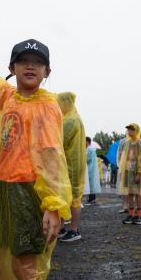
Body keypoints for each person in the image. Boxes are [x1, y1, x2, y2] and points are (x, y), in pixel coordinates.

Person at [0, 40, 72, 280]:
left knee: (24, 268)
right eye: (24, 61)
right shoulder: (6, 94)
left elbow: (51, 154)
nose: (31, 67)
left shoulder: (47, 105)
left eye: (38, 63)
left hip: (28, 190)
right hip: (2, 186)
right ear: (12, 68)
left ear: (47, 72)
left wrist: (52, 204)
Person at [57, 92, 86, 242]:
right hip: (71, 164)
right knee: (64, 196)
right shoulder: (73, 117)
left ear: (66, 103)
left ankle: (74, 230)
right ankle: (61, 227)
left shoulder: (70, 120)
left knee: (74, 198)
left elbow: (58, 142)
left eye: (60, 102)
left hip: (71, 166)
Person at [118, 124, 141, 225]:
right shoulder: (127, 142)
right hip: (127, 171)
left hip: (136, 171)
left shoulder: (140, 143)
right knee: (129, 193)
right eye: (128, 129)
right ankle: (131, 214)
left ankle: (138, 215)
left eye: (131, 129)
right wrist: (122, 169)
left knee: (138, 193)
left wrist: (139, 173)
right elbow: (124, 157)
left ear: (136, 130)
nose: (129, 131)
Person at [84, 137, 101, 205]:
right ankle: (92, 199)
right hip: (93, 168)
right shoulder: (93, 149)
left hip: (90, 168)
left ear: (87, 141)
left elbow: (86, 159)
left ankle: (91, 200)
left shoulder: (89, 149)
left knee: (90, 184)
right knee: (93, 184)